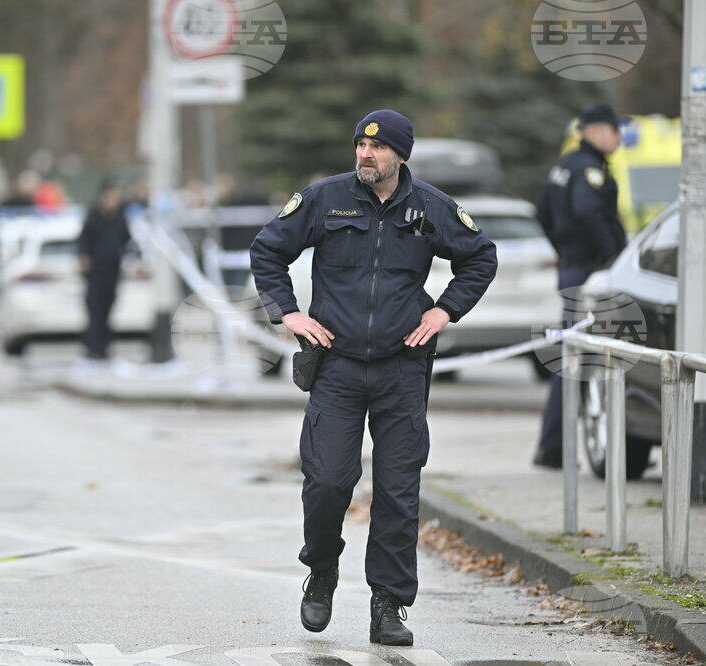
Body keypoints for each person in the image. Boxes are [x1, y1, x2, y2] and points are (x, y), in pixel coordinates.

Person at [250, 110, 497, 645]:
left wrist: (444, 312)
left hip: (402, 369)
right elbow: (267, 250)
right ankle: (322, 570)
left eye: (378, 149)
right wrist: (288, 314)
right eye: (361, 146)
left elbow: (480, 258)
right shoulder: (325, 198)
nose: (366, 154)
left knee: (398, 492)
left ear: (400, 156)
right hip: (336, 366)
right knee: (328, 482)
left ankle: (388, 604)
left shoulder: (430, 207)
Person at [533, 103, 628, 469]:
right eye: (613, 129)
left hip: (572, 269)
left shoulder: (565, 165)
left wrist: (563, 250)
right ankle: (555, 447)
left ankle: (553, 447)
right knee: (579, 358)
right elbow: (589, 212)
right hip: (590, 273)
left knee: (571, 357)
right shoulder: (589, 170)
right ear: (592, 132)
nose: (619, 136)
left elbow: (542, 211)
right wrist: (611, 259)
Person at [77, 181, 131, 360]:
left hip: (112, 269)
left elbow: (126, 240)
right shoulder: (93, 216)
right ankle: (92, 346)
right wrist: (84, 257)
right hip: (96, 270)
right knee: (95, 309)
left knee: (108, 309)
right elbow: (83, 240)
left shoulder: (120, 217)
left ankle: (104, 347)